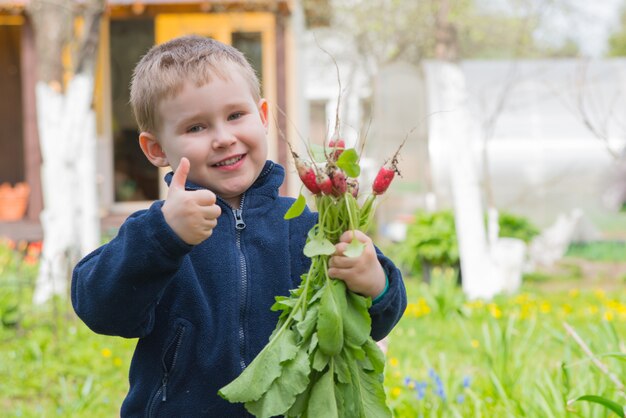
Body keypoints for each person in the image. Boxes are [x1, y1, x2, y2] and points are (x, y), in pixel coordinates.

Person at [71, 35, 407, 417]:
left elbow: (374, 322)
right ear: (156, 149)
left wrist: (376, 284)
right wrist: (166, 237)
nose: (224, 138)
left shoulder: (307, 229)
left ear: (262, 116)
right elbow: (100, 309)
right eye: (196, 128)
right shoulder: (156, 235)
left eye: (235, 116)